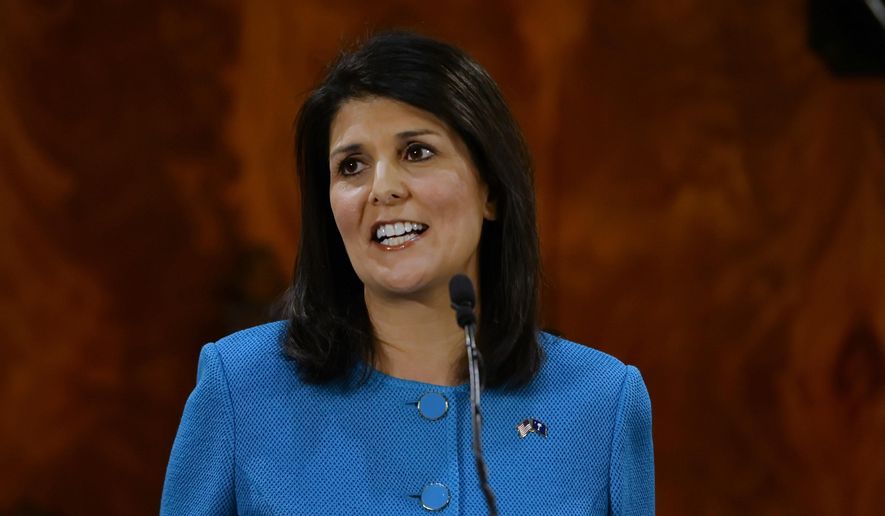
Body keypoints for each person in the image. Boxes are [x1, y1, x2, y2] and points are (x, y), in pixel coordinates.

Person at [161, 31, 654, 515]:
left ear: (491, 189)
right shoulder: (241, 386)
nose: (383, 188)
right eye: (352, 166)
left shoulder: (602, 402)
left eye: (416, 152)